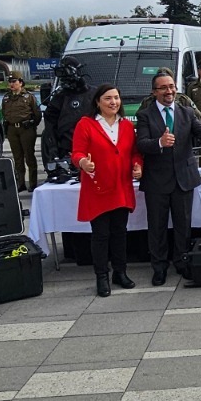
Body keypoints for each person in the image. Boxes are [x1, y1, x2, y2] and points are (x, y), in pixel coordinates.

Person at [136, 70, 201, 286]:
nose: (169, 91)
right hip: (157, 180)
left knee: (183, 224)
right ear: (154, 92)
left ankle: (182, 261)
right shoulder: (145, 114)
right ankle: (159, 267)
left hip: (184, 178)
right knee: (157, 226)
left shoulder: (187, 112)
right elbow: (141, 143)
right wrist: (159, 143)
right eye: (163, 88)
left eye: (171, 86)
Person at [73, 84, 143, 297]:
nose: (113, 102)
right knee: (101, 235)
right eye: (108, 98)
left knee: (120, 234)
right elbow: (76, 153)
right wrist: (83, 162)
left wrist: (138, 165)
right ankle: (101, 276)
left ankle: (120, 272)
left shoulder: (127, 126)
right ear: (97, 101)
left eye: (116, 98)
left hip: (121, 187)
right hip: (98, 189)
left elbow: (135, 153)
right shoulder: (86, 124)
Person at [42, 55, 97, 180]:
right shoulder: (59, 99)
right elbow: (49, 130)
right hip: (66, 154)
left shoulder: (95, 94)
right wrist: (54, 155)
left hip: (94, 153)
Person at [3, 75, 41, 191]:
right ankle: (20, 183)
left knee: (29, 156)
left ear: (20, 83)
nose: (11, 84)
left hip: (26, 129)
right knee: (17, 157)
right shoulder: (6, 98)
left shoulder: (29, 97)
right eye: (10, 82)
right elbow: (4, 113)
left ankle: (33, 183)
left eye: (14, 81)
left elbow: (37, 114)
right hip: (12, 129)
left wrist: (31, 125)